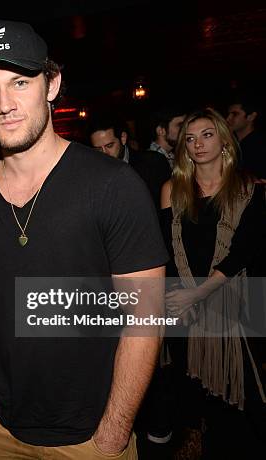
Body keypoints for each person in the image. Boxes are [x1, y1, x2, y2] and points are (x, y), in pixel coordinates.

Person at [0, 20, 168, 459]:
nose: (5, 104)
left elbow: (144, 319)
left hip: (93, 434)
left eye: (19, 82)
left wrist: (113, 432)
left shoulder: (114, 185)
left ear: (51, 84)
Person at [160, 107, 266, 458]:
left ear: (223, 138)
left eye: (207, 134)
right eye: (190, 139)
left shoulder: (249, 188)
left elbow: (243, 253)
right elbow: (166, 251)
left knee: (243, 399)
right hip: (181, 305)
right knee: (189, 391)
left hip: (236, 303)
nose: (198, 144)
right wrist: (180, 300)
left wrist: (199, 294)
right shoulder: (172, 189)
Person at [88, 114, 171, 206]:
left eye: (109, 146)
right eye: (98, 149)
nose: (104, 153)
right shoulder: (92, 176)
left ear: (123, 138)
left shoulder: (153, 163)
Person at [226, 92, 266, 180]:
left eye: (235, 114)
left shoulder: (260, 147)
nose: (228, 118)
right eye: (228, 114)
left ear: (251, 117)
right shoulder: (231, 144)